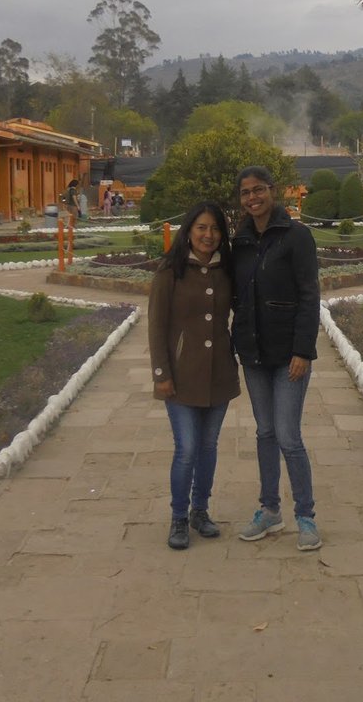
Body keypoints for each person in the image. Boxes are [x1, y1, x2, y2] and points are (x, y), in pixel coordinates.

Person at [231, 165, 322, 552]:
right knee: (264, 433)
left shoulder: (296, 236)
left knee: (288, 436)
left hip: (289, 356)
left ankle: (306, 516)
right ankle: (270, 510)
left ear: (273, 191)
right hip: (253, 354)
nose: (253, 198)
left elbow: (309, 295)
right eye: (246, 193)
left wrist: (302, 350)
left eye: (259, 190)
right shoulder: (240, 243)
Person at [148, 201, 240, 551]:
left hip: (219, 375)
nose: (208, 235)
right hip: (181, 377)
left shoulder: (226, 270)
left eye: (215, 228)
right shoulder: (170, 270)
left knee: (208, 447)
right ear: (189, 230)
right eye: (201, 227)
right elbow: (157, 326)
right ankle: (179, 517)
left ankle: (201, 511)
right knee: (186, 449)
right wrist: (161, 374)